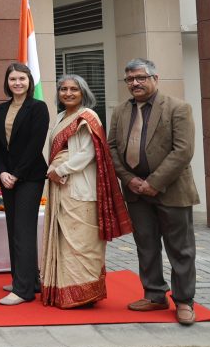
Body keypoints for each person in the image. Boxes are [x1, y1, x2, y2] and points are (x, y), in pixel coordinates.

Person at [108, 58, 199, 325]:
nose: (135, 83)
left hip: (171, 190)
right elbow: (112, 148)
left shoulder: (178, 108)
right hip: (136, 192)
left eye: (140, 78)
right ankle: (154, 294)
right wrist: (130, 180)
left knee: (180, 248)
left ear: (154, 79)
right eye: (130, 79)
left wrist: (154, 183)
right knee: (146, 245)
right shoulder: (121, 111)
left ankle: (184, 301)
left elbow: (183, 151)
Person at [40, 75, 132, 309]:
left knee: (83, 243)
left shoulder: (88, 116)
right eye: (63, 89)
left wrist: (60, 168)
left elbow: (87, 153)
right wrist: (54, 169)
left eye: (74, 89)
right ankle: (65, 291)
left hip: (81, 189)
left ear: (83, 93)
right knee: (65, 242)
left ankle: (84, 294)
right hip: (60, 187)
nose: (68, 93)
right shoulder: (61, 117)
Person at [0, 62, 49, 306]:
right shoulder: (2, 108)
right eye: (13, 79)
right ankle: (25, 279)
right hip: (7, 177)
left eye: (22, 79)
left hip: (29, 177)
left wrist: (16, 174)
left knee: (23, 231)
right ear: (7, 82)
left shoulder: (38, 108)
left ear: (29, 82)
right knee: (14, 228)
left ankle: (23, 290)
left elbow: (35, 145)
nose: (17, 83)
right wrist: (2, 171)